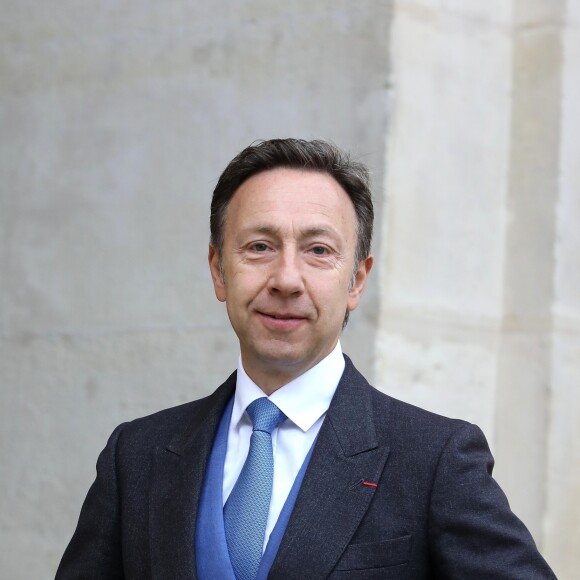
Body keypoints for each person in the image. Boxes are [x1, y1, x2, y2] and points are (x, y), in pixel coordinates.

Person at [56, 139, 556, 579]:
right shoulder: (136, 457)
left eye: (318, 250)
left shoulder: (434, 460)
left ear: (357, 280)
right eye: (259, 246)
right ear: (218, 270)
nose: (287, 279)